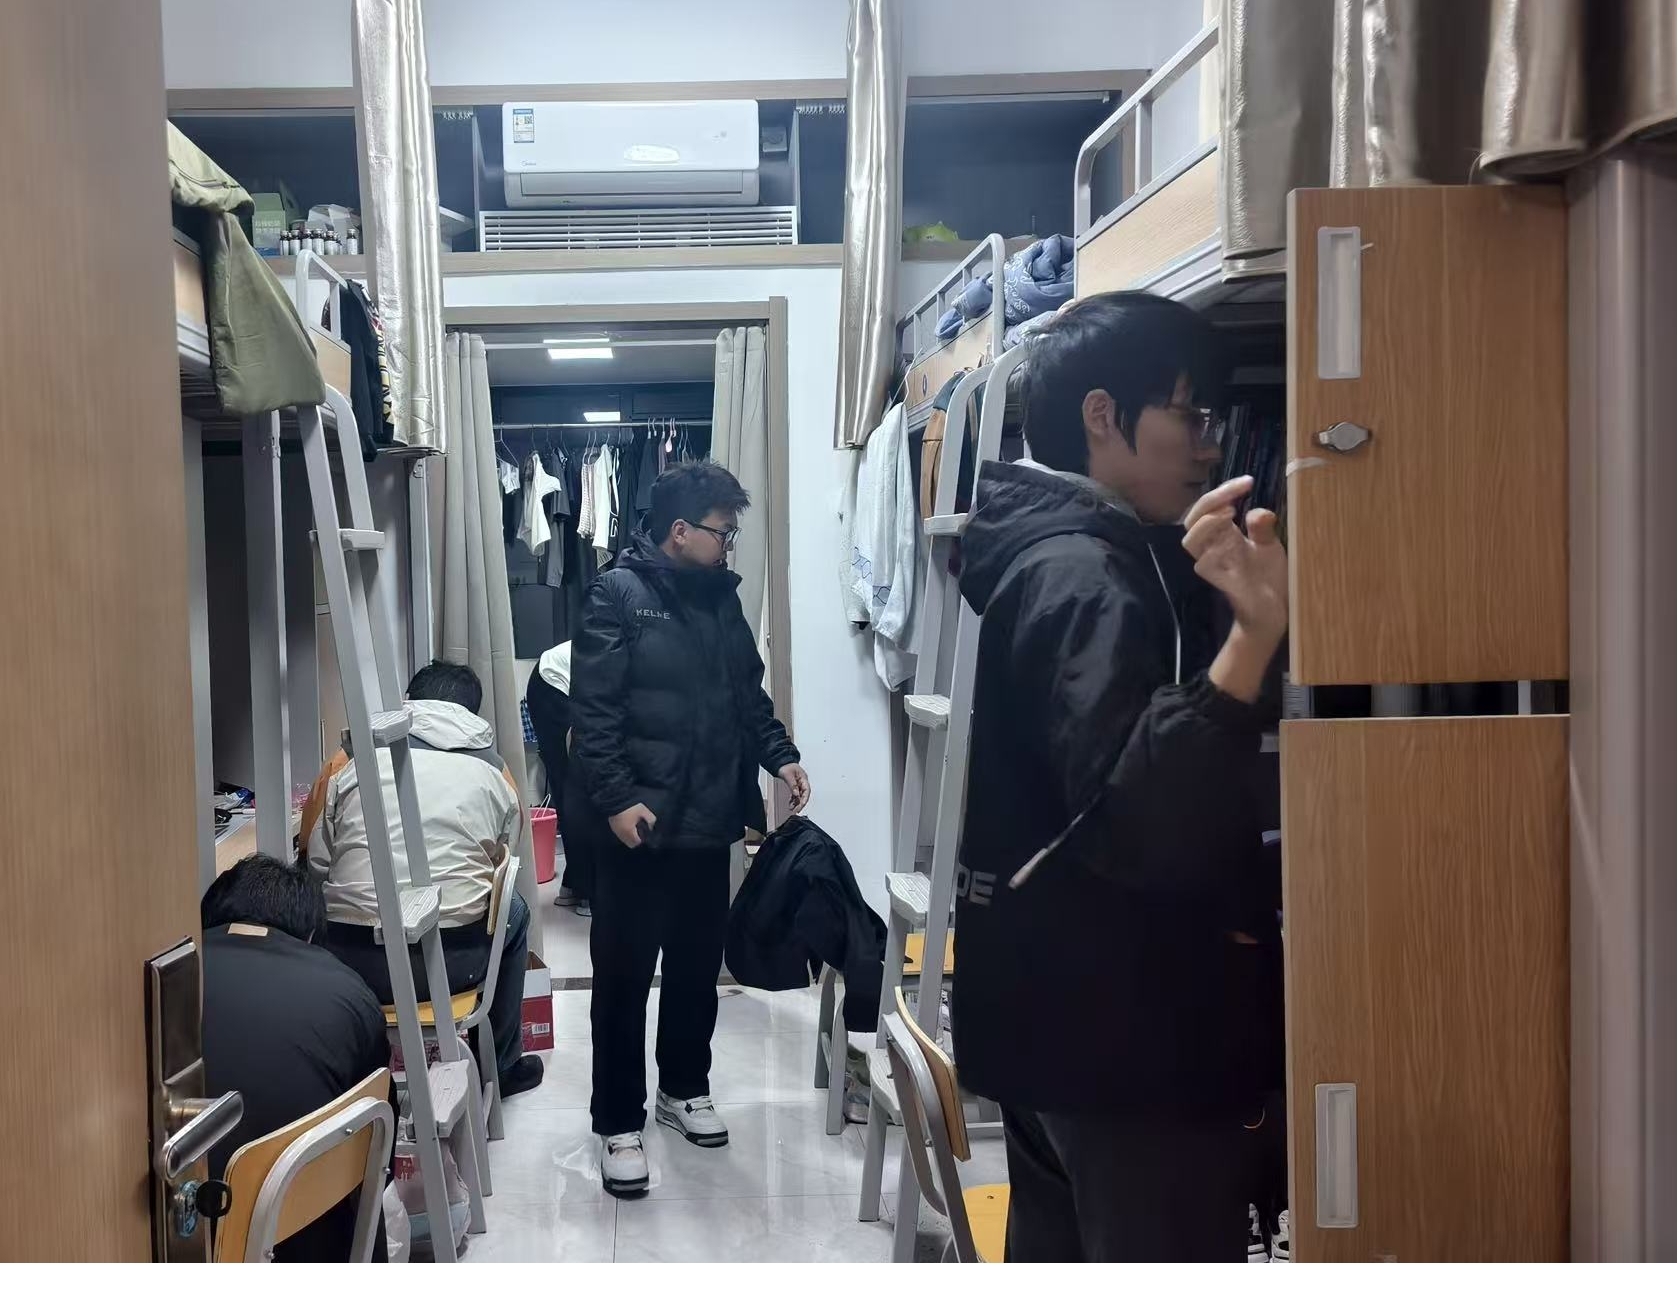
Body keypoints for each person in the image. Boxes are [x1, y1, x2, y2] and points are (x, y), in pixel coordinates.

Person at [951, 291, 1287, 1261]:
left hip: (1059, 1019)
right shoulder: (1083, 574)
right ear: (1103, 415)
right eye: (1190, 414)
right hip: (1124, 1035)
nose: (1210, 445)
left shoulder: (1078, 551)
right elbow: (1138, 811)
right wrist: (1255, 638)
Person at [570, 461, 811, 1198]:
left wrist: (781, 756)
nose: (728, 543)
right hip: (638, 828)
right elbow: (594, 712)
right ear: (680, 530)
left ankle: (682, 1088)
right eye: (722, 531)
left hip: (709, 821)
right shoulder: (616, 593)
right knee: (622, 979)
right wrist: (616, 800)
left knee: (697, 970)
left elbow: (748, 696)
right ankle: (619, 1120)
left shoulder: (721, 600)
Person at [302, 659, 544, 1100]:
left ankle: (345, 1076)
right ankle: (501, 1065)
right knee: (514, 910)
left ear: (407, 703)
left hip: (351, 964)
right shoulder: (496, 772)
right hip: (452, 965)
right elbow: (502, 865)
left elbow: (316, 861)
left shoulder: (348, 762)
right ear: (471, 714)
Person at [200, 853, 390, 1261]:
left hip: (179, 1230)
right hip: (303, 1231)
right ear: (309, 935)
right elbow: (377, 1148)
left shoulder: (167, 978)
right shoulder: (349, 992)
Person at [524, 640, 594, 916]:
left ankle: (574, 884)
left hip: (547, 683)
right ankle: (587, 891)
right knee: (579, 788)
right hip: (552, 685)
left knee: (569, 788)